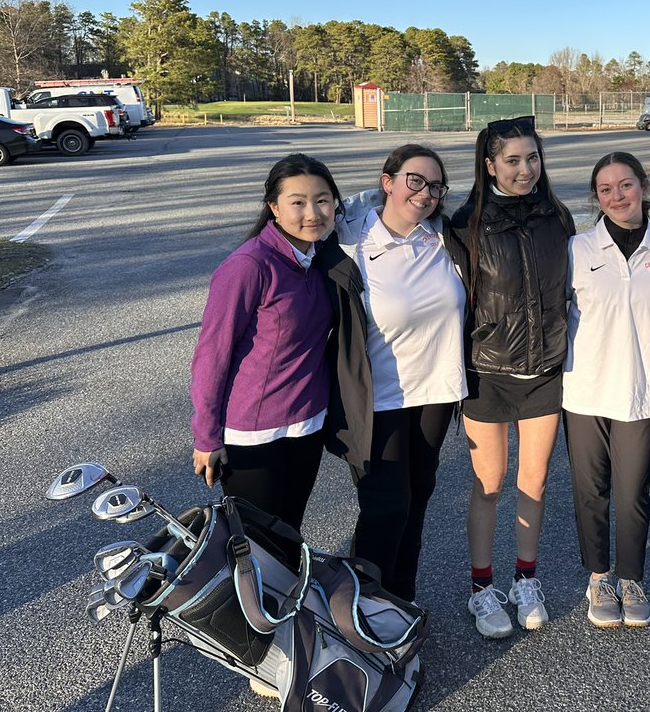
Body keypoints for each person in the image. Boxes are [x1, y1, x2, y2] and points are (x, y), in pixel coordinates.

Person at [318, 145, 469, 602]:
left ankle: (401, 601)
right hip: (376, 399)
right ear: (388, 181)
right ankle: (365, 607)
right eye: (414, 180)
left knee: (417, 499)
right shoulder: (349, 243)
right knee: (386, 507)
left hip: (436, 394)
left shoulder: (443, 237)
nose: (425, 194)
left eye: (435, 186)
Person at [450, 116, 575, 638]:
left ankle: (526, 578)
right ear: (489, 165)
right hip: (488, 373)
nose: (526, 170)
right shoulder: (465, 223)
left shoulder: (558, 217)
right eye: (513, 161)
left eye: (532, 158)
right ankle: (483, 587)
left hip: (544, 369)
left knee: (535, 479)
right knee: (490, 483)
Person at [190, 153, 340, 532]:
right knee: (254, 543)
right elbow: (212, 355)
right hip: (253, 433)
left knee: (290, 530)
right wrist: (206, 436)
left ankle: (290, 593)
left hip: (307, 425)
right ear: (273, 207)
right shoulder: (248, 266)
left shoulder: (321, 257)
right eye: (298, 202)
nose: (313, 213)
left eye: (323, 200)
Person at [562, 152, 650, 629]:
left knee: (632, 493)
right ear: (596, 197)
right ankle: (599, 575)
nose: (617, 196)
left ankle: (631, 578)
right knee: (591, 491)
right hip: (584, 390)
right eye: (606, 189)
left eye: (625, 185)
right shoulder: (576, 249)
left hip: (639, 390)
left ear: (644, 187)